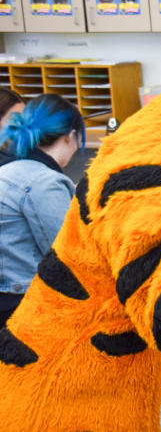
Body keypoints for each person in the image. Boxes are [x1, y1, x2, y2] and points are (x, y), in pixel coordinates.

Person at [0, 94, 85, 328]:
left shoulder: (12, 169)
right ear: (71, 137)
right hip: (21, 302)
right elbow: (66, 252)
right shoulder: (44, 181)